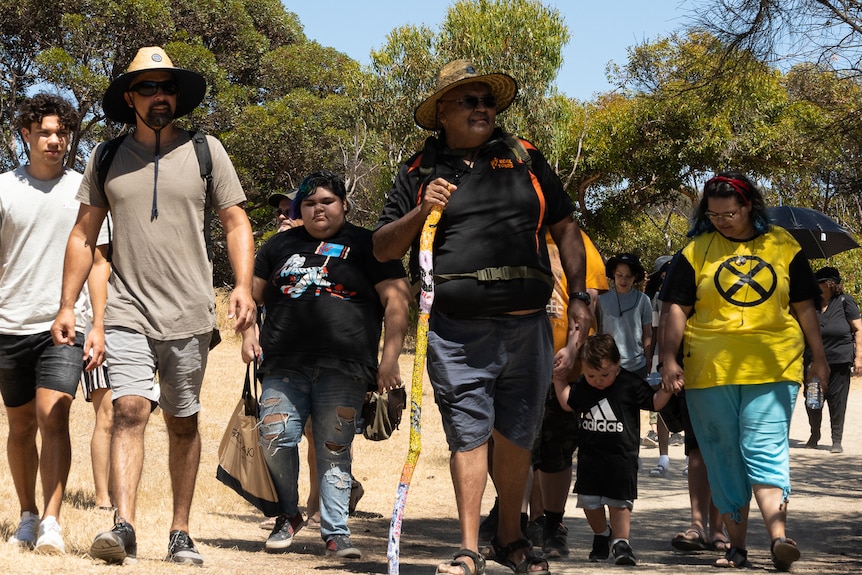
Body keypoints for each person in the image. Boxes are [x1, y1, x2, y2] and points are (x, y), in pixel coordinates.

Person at [373, 59, 591, 575]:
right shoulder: (419, 170)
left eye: (487, 100)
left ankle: (511, 538)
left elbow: (565, 227)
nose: (482, 108)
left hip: (527, 326)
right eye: (468, 100)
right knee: (468, 433)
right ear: (442, 112)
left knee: (518, 435)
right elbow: (382, 248)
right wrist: (422, 210)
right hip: (455, 331)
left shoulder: (526, 158)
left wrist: (580, 294)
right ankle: (469, 548)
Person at [51, 46, 256, 566]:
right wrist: (67, 305)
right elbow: (83, 235)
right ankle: (123, 527)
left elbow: (236, 222)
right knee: (129, 409)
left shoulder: (207, 151)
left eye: (167, 87)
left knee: (183, 421)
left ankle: (180, 532)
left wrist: (243, 285)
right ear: (130, 97)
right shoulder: (106, 157)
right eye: (148, 87)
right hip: (125, 309)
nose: (160, 95)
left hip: (189, 311)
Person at [660, 171, 828, 570]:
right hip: (708, 370)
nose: (721, 221)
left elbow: (804, 305)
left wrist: (818, 357)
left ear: (749, 205)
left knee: (763, 449)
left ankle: (779, 539)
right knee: (723, 458)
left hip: (774, 364)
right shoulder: (696, 250)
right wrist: (668, 357)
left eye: (729, 213)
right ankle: (736, 548)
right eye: (714, 215)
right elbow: (677, 307)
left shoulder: (783, 245)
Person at [241, 171, 410, 558]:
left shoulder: (370, 245)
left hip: (346, 366)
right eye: (310, 203)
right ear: (300, 208)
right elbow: (250, 298)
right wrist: (249, 336)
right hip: (282, 362)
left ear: (344, 205)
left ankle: (337, 533)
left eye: (327, 201)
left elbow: (397, 302)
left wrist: (390, 359)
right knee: (274, 436)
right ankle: (288, 513)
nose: (319, 209)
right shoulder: (279, 245)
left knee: (335, 448)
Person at [0, 93, 99, 554]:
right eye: (44, 132)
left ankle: (52, 521)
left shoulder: (85, 192)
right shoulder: (4, 189)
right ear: (26, 135)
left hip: (64, 324)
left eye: (61, 132)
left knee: (53, 414)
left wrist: (97, 324)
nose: (55, 140)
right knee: (20, 426)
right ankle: (26, 514)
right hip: (9, 324)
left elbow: (99, 262)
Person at [551, 333, 672, 566]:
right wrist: (559, 380)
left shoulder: (628, 383)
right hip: (590, 458)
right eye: (591, 375)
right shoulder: (583, 386)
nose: (598, 380)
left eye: (604, 374)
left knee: (619, 503)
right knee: (589, 502)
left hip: (621, 458)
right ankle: (602, 534)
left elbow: (654, 402)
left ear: (617, 365)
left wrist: (666, 389)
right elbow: (568, 402)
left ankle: (621, 543)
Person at [532, 231, 608, 559]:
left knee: (555, 453)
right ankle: (517, 520)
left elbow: (589, 302)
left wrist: (573, 349)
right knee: (514, 450)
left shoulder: (578, 242)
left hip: (563, 368)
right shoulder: (511, 226)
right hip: (515, 364)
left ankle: (553, 524)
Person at [804, 266, 862, 454]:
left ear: (829, 284)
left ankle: (836, 439)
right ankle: (815, 433)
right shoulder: (811, 303)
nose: (816, 286)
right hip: (813, 361)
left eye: (819, 283)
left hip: (839, 359)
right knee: (812, 400)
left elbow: (859, 330)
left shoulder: (845, 302)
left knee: (837, 400)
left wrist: (859, 357)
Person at [599, 254, 652, 377]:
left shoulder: (643, 300)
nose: (623, 280)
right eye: (620, 275)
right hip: (609, 366)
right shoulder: (601, 300)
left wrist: (649, 359)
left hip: (637, 365)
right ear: (613, 273)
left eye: (628, 276)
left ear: (635, 276)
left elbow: (647, 333)